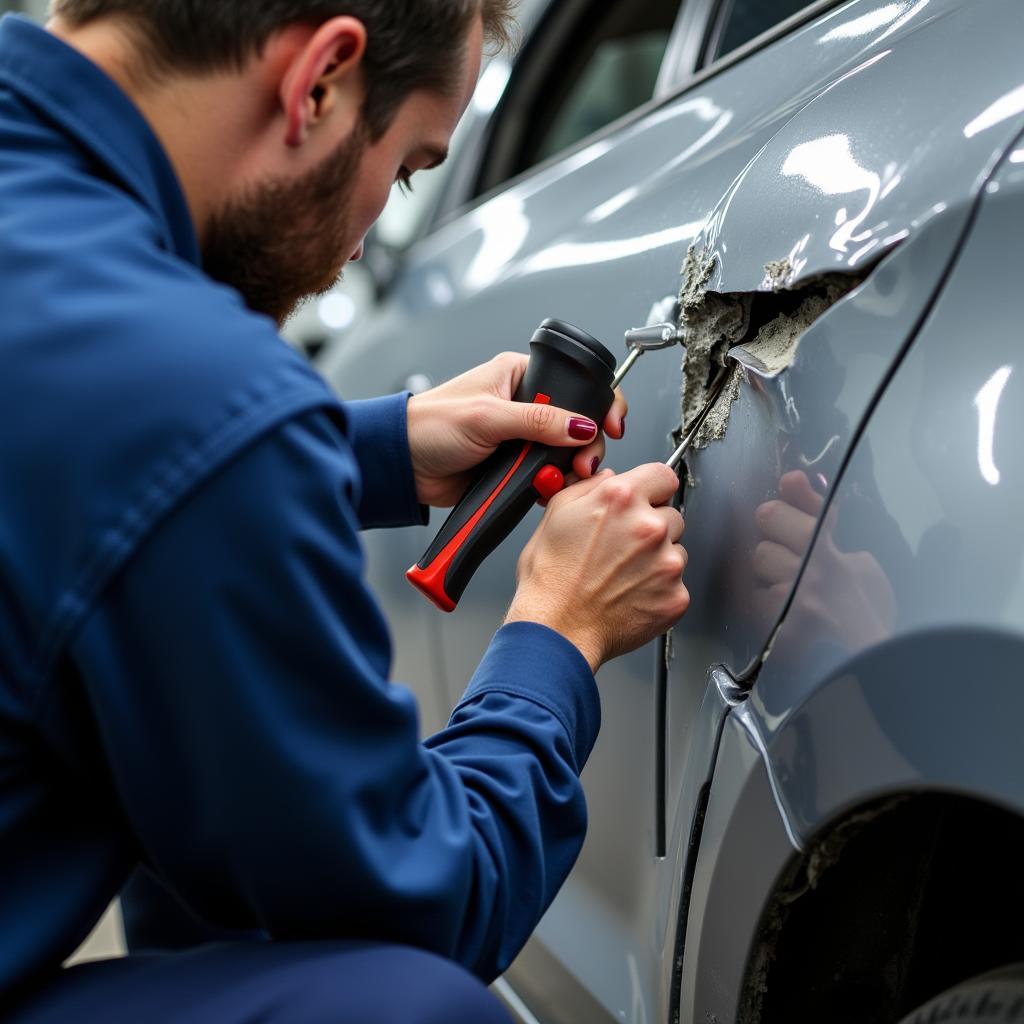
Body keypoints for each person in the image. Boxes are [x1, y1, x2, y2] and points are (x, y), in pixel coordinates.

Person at [0, 1, 690, 1020]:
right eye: (408, 167)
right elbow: (424, 897)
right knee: (407, 1004)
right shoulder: (186, 395)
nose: (369, 240)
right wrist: (559, 629)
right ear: (319, 79)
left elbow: (67, 454)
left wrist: (363, 446)